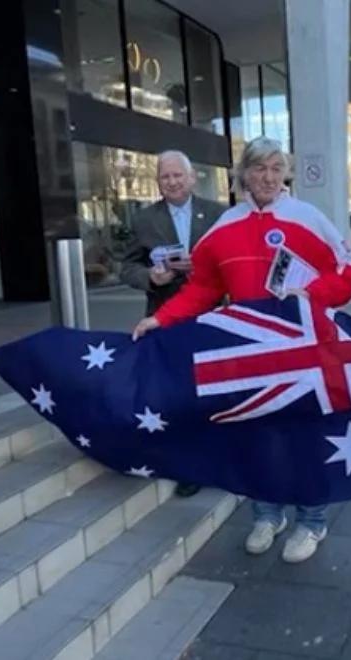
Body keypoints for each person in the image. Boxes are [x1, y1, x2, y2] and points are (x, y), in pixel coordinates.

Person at [131, 136, 351, 563]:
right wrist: (160, 319)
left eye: (276, 168)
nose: (268, 177)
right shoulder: (225, 226)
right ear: (244, 175)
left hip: (299, 352)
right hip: (248, 355)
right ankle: (267, 515)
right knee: (256, 439)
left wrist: (311, 294)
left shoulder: (308, 218)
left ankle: (312, 521)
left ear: (286, 173)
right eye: (259, 168)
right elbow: (202, 288)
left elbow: (348, 274)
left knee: (301, 438)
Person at [119, 150, 226, 498]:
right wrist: (151, 276)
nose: (173, 182)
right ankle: (189, 464)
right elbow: (127, 266)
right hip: (165, 314)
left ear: (193, 177)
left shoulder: (218, 214)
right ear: (158, 182)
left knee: (212, 388)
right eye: (166, 177)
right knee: (178, 390)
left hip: (211, 314)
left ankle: (218, 454)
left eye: (178, 175)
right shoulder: (144, 219)